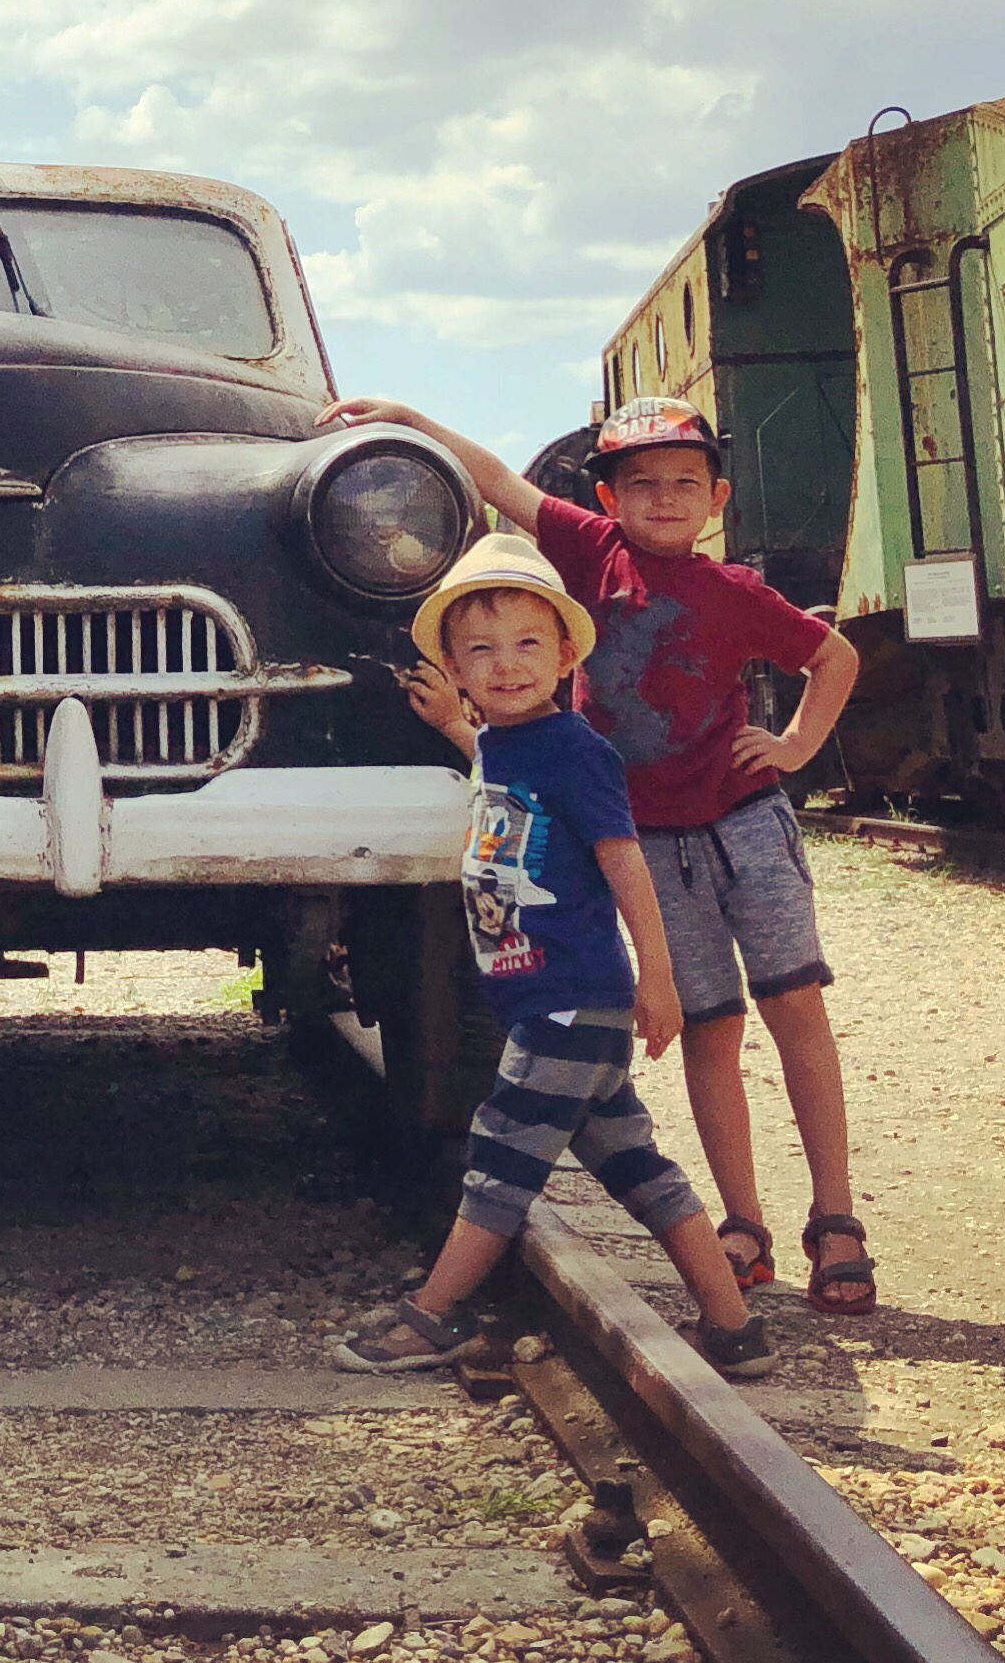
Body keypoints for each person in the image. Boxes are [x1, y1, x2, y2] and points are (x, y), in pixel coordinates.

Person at [323, 392, 874, 1316]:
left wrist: (794, 747)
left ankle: (836, 1217)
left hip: (745, 821)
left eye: (685, 483)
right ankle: (742, 1223)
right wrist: (412, 419)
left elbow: (836, 657)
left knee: (794, 1007)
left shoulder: (737, 592)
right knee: (711, 1027)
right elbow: (497, 481)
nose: (664, 499)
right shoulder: (589, 550)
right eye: (641, 484)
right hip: (649, 837)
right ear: (608, 499)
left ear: (718, 499)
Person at [334, 532, 776, 1377]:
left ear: (567, 656)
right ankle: (733, 1327)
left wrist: (658, 977)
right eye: (481, 651)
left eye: (528, 644)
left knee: (499, 1160)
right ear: (456, 668)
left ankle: (431, 1316)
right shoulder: (504, 744)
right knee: (640, 1170)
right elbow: (500, 770)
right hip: (550, 1004)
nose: (506, 665)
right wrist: (455, 726)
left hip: (569, 1002)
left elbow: (625, 863)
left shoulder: (578, 751)